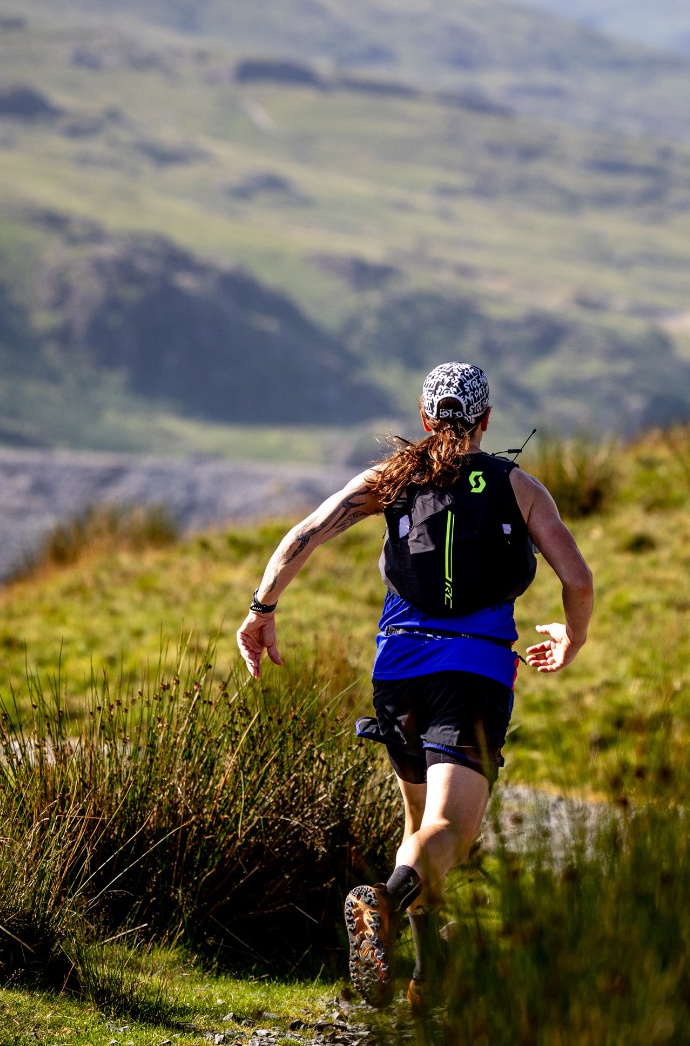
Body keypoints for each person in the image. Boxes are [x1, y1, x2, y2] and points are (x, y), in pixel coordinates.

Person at [236, 362, 594, 1009]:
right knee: (450, 834)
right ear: (485, 420)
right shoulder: (518, 486)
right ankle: (385, 901)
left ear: (427, 419)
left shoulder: (389, 478)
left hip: (397, 674)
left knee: (421, 824)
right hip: (474, 675)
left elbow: (306, 533)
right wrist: (572, 638)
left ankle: (428, 975)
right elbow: (578, 578)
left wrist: (262, 611)